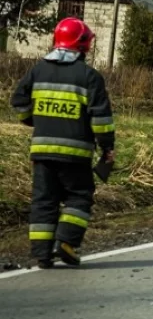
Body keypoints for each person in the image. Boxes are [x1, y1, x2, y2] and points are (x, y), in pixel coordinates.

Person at [10, 17, 116, 268]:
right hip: (76, 154)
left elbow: (18, 101)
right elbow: (101, 119)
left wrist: (33, 121)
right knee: (79, 196)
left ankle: (42, 254)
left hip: (42, 151)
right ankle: (66, 242)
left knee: (44, 200)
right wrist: (107, 147)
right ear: (82, 44)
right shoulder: (90, 76)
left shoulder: (38, 70)